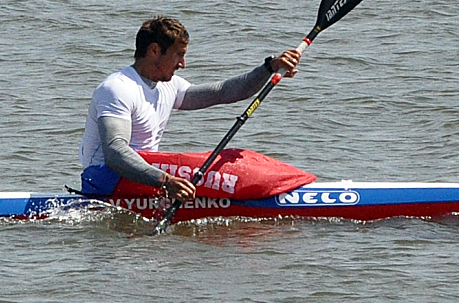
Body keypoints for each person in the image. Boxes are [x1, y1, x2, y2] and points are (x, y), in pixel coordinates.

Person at [80, 15, 302, 202]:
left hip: (145, 177)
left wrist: (269, 67)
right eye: (179, 54)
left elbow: (223, 92)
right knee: (212, 173)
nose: (183, 64)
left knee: (221, 162)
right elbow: (115, 153)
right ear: (154, 50)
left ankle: (271, 190)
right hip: (104, 179)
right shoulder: (117, 88)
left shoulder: (169, 87)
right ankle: (266, 197)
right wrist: (166, 181)